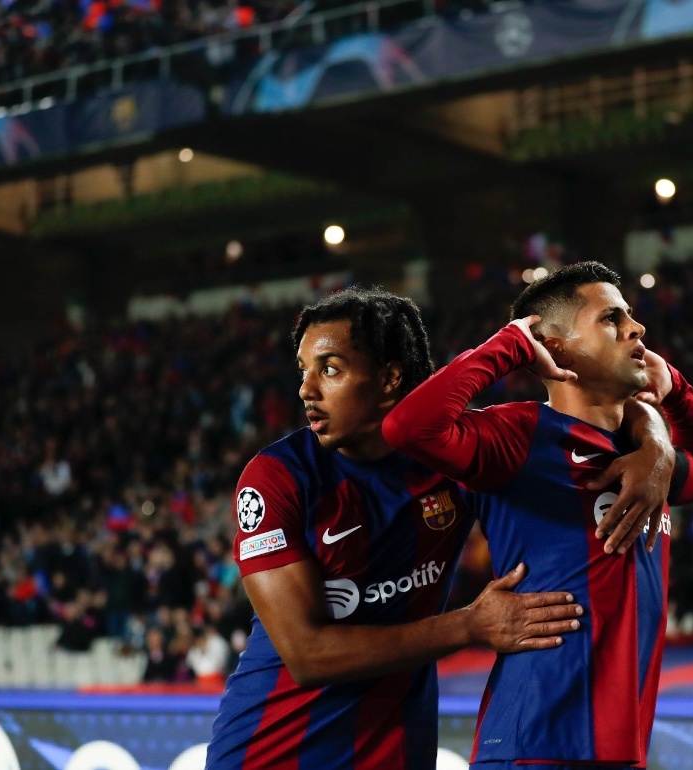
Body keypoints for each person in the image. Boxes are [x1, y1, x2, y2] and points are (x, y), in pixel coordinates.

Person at [207, 288, 591, 770]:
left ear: (390, 378)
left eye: (330, 369)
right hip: (272, 754)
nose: (307, 389)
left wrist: (653, 446)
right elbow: (307, 654)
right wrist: (470, 625)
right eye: (303, 370)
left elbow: (589, 436)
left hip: (397, 752)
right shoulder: (278, 476)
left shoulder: (455, 458)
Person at [384, 261, 693, 768]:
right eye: (611, 318)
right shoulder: (518, 436)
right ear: (557, 347)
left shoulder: (640, 456)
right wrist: (510, 345)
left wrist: (673, 394)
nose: (636, 328)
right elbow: (407, 428)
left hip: (620, 746)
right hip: (536, 745)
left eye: (629, 315)